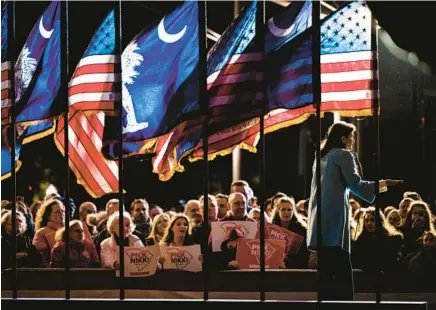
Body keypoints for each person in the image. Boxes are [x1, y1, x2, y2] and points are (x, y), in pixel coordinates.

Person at [307, 121, 402, 301]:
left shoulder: (321, 157)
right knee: (343, 272)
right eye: (351, 137)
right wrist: (381, 185)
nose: (352, 141)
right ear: (343, 138)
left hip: (319, 221)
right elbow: (355, 185)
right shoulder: (343, 155)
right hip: (334, 219)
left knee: (326, 275)